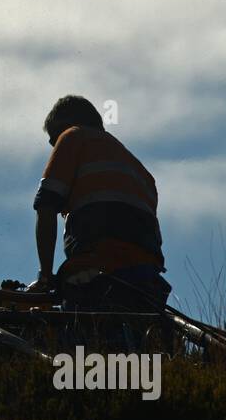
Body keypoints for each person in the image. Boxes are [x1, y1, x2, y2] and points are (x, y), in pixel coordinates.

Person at [25, 95, 171, 312]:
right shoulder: (140, 170)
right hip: (147, 279)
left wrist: (45, 278)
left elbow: (46, 208)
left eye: (53, 138)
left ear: (67, 124)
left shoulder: (73, 137)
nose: (53, 145)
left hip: (96, 272)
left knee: (79, 341)